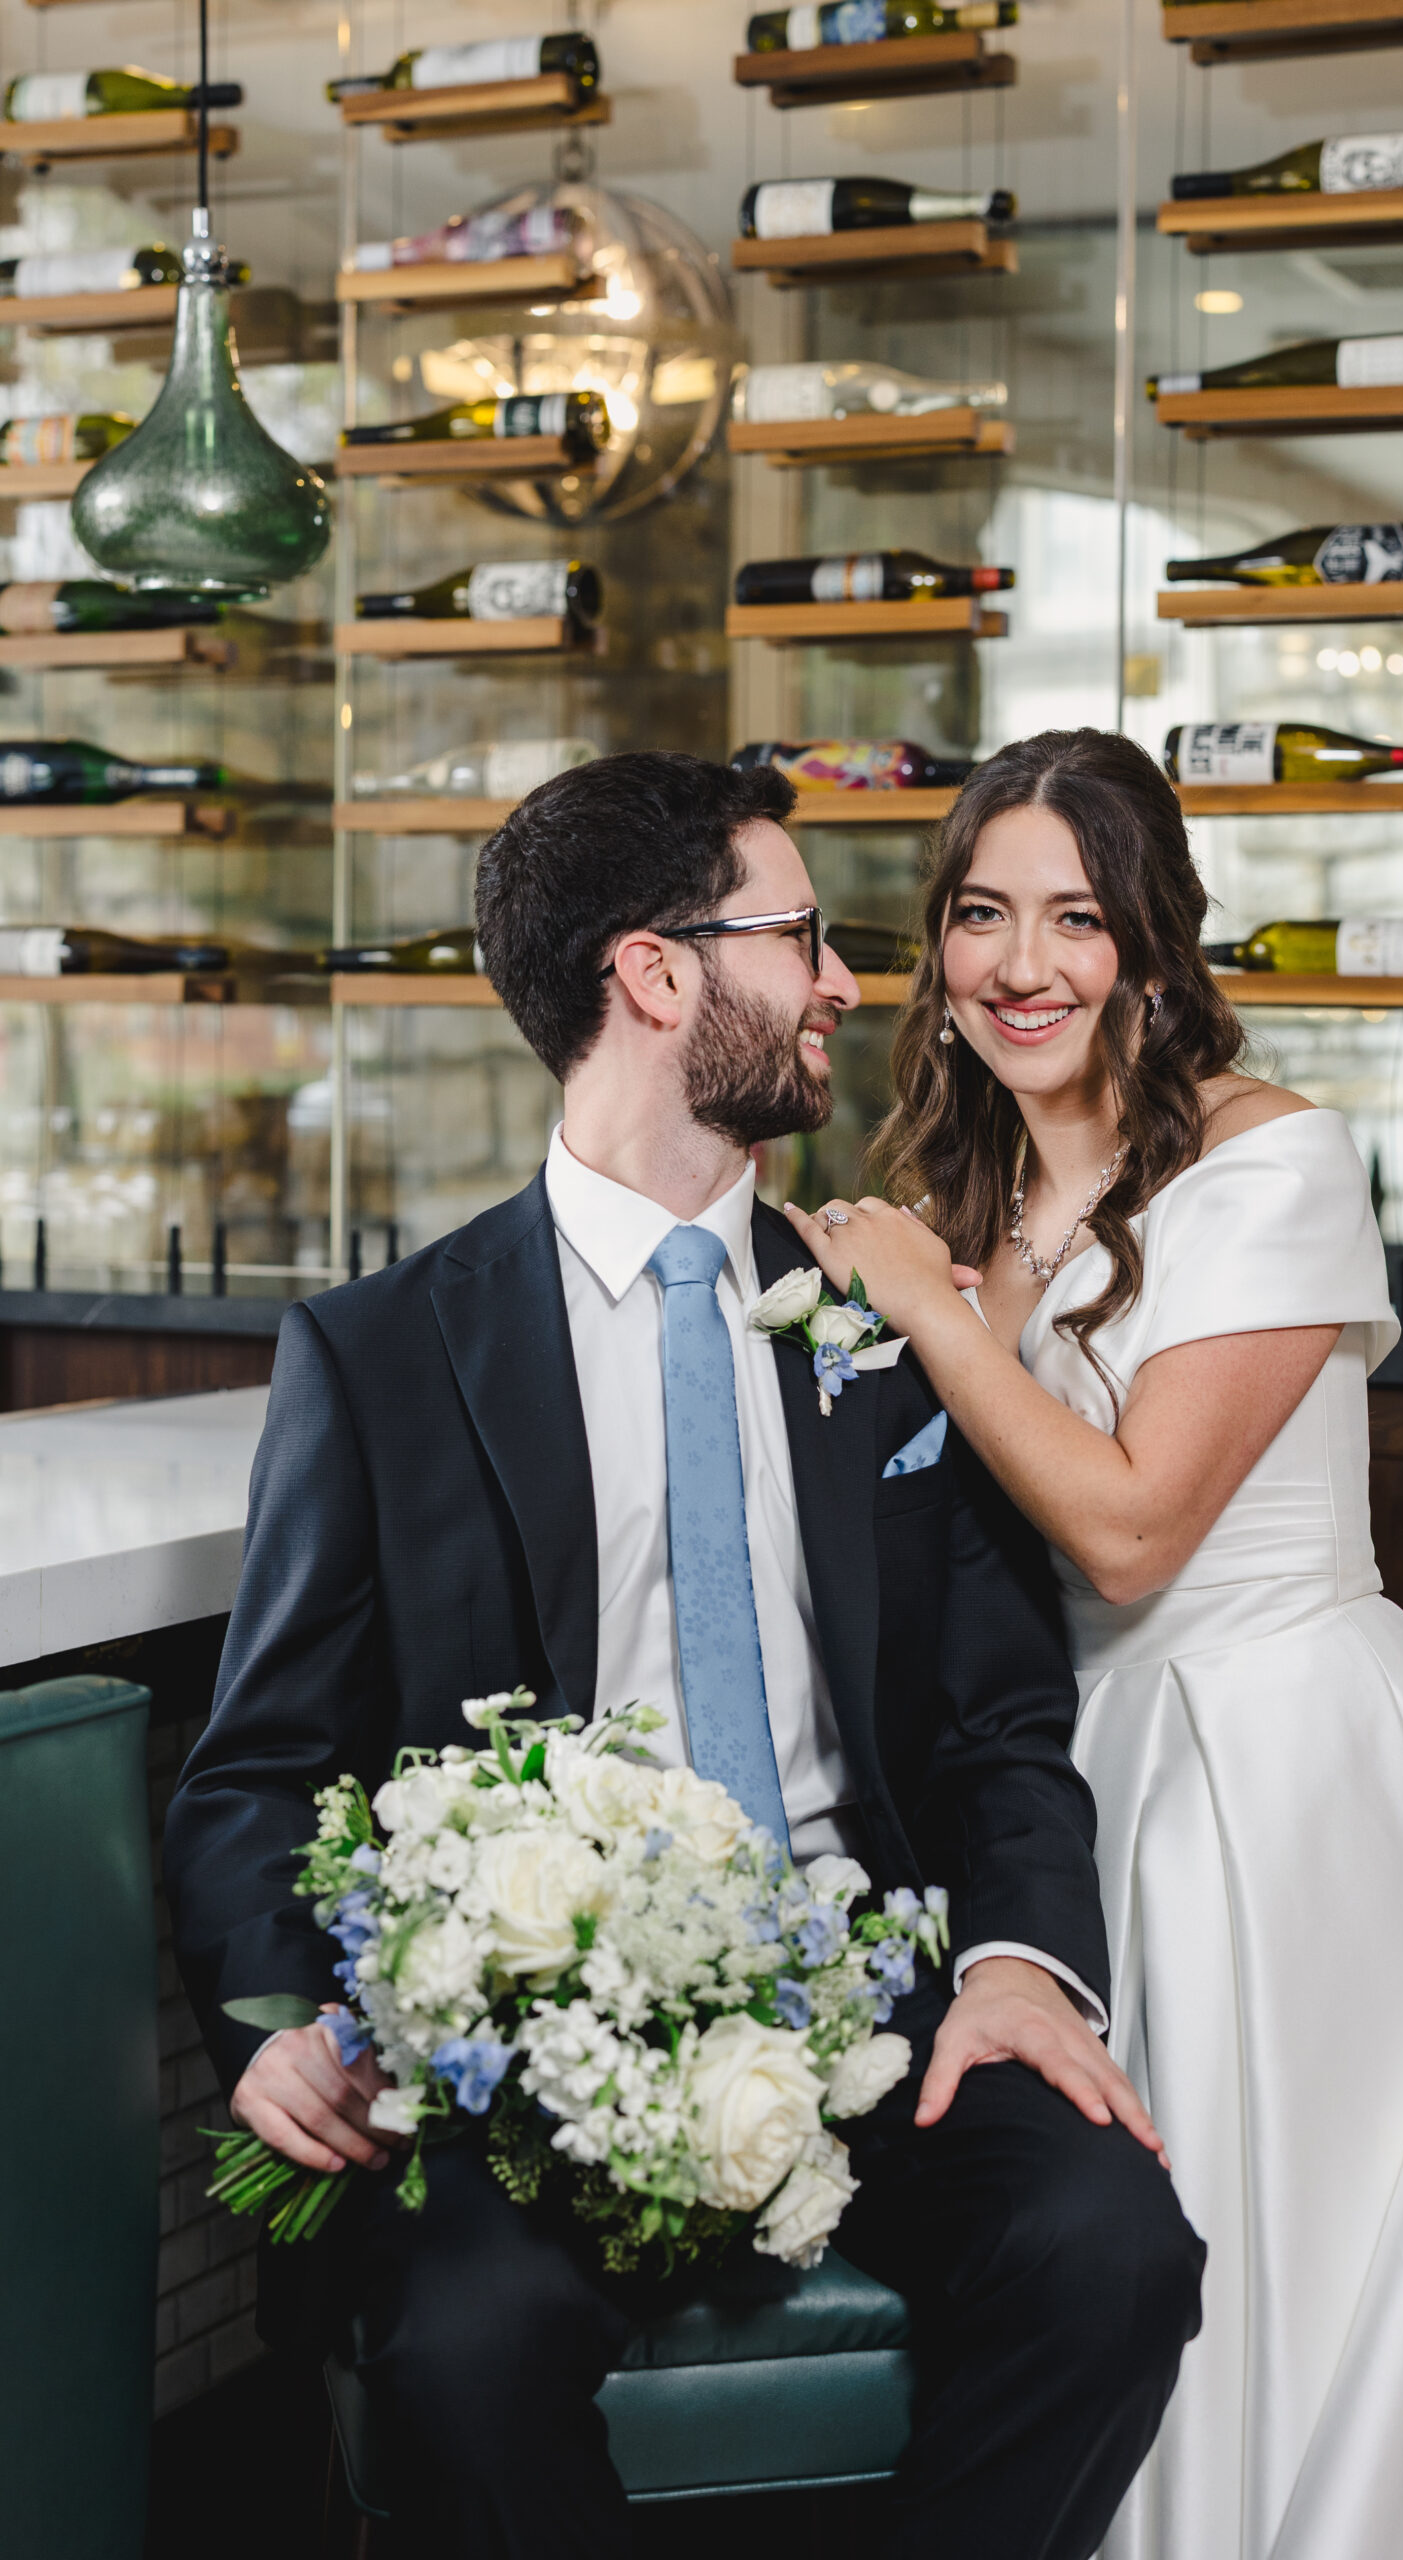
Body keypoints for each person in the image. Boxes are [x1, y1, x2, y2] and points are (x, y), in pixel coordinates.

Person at [163, 748, 1205, 2560]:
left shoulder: (893, 1324)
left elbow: (1000, 1720)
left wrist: (1025, 1964)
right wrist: (270, 2020)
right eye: (801, 937)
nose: (846, 982)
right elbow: (258, 1769)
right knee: (463, 2343)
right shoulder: (383, 1355)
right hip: (525, 2053)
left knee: (1114, 2248)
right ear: (657, 977)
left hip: (873, 2006)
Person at [785, 725, 1403, 2560]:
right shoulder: (973, 1194)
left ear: (1150, 941)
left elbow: (1133, 1531)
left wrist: (920, 1308)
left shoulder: (1274, 1158)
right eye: (980, 915)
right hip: (1082, 1781)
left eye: (1073, 918)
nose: (1020, 966)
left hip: (1281, 1774)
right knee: (1138, 2256)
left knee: (1319, 2254)